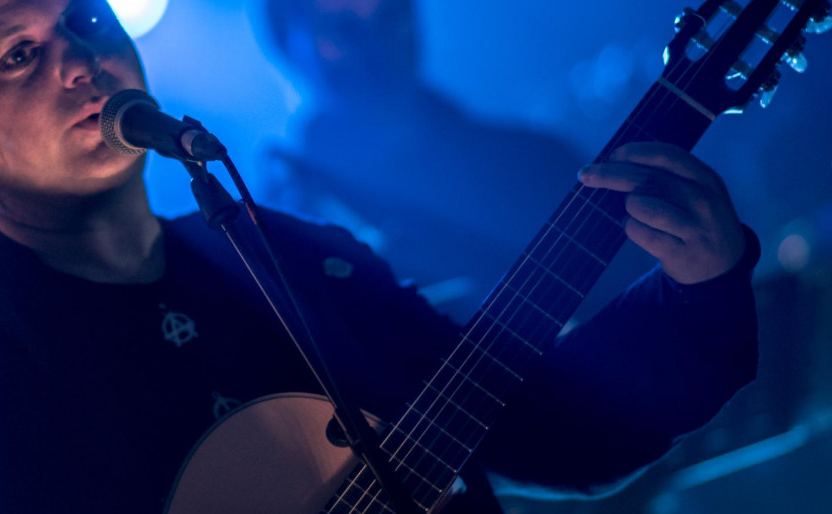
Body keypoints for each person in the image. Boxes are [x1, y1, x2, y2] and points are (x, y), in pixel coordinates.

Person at [0, 0, 759, 514]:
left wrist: (699, 292)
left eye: (87, 20)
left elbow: (550, 433)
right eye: (22, 55)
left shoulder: (293, 260)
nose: (82, 62)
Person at [254, 0, 655, 321]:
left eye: (391, 15)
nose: (375, 43)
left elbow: (646, 311)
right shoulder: (272, 234)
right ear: (287, 41)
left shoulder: (540, 162)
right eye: (343, 27)